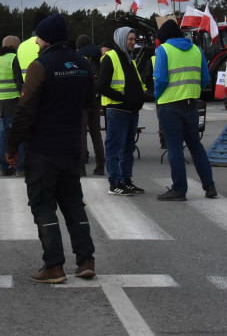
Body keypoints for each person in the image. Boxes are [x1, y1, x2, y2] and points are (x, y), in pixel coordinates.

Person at [6, 14, 96, 284]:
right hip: (71, 147)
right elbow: (89, 103)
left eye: (39, 37)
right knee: (72, 203)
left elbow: (25, 111)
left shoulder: (40, 66)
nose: (36, 40)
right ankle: (86, 260)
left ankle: (54, 265)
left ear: (47, 39)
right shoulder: (82, 64)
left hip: (43, 148)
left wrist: (11, 146)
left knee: (43, 204)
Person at [153, 21, 217, 201]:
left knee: (175, 148)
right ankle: (209, 185)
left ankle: (179, 189)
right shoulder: (196, 50)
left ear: (164, 37)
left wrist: (157, 96)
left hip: (170, 105)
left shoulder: (163, 50)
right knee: (195, 145)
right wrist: (192, 90)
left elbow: (161, 79)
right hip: (191, 104)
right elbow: (205, 78)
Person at [100, 26, 146, 195]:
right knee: (114, 148)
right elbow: (102, 86)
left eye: (134, 39)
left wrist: (141, 97)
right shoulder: (110, 58)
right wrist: (124, 98)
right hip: (117, 111)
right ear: (121, 39)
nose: (133, 43)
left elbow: (137, 85)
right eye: (130, 39)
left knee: (128, 148)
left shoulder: (130, 60)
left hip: (131, 111)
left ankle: (126, 180)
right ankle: (115, 182)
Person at [0, 35, 23, 176]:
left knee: (3, 135)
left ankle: (3, 167)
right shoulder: (13, 58)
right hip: (14, 103)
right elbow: (18, 81)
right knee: (19, 136)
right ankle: (20, 168)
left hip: (1, 103)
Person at [76, 35, 105, 176]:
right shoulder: (100, 54)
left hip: (82, 99)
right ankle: (100, 165)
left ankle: (81, 166)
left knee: (81, 134)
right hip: (96, 98)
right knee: (96, 133)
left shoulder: (79, 56)